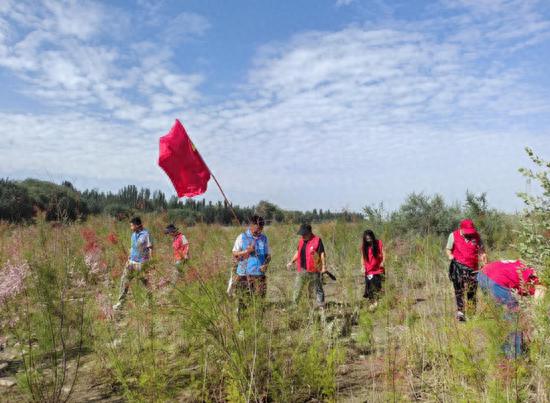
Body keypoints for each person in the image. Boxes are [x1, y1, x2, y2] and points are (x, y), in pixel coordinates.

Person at [477, 260, 539, 358]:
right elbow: (538, 310)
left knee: (501, 317)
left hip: (483, 275)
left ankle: (501, 352)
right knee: (514, 319)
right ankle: (514, 357)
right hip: (497, 280)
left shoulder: (531, 266)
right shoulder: (541, 280)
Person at [446, 219, 487, 321]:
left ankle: (472, 314)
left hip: (473, 268)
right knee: (459, 289)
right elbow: (448, 249)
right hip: (458, 266)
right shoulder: (453, 235)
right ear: (461, 229)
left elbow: (481, 251)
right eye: (467, 231)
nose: (470, 234)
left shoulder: (476, 236)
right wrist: (450, 255)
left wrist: (484, 260)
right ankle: (461, 312)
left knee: (472, 290)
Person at [231, 215, 271, 313]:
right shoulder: (242, 237)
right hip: (244, 275)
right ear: (251, 226)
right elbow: (234, 253)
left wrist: (266, 264)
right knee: (243, 302)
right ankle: (242, 326)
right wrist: (246, 251)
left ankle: (258, 325)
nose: (259, 232)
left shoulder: (264, 238)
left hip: (259, 275)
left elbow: (268, 256)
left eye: (261, 229)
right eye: (257, 229)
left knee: (259, 303)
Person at [113, 216, 153, 310]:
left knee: (146, 284)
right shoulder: (133, 234)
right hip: (131, 263)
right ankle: (121, 303)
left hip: (142, 264)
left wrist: (151, 262)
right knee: (124, 281)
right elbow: (132, 247)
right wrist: (128, 259)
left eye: (131, 225)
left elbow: (151, 248)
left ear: (137, 225)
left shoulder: (146, 234)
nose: (131, 228)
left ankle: (150, 304)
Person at [287, 224, 327, 308]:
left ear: (309, 232)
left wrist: (323, 266)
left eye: (304, 234)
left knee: (318, 289)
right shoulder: (301, 241)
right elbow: (298, 252)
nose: (303, 236)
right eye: (302, 234)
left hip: (315, 270)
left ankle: (321, 305)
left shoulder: (317, 240)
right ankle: (294, 305)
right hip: (302, 269)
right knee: (298, 288)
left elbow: (322, 254)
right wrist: (291, 261)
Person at [361, 230, 385, 305]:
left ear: (372, 237)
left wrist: (383, 262)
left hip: (378, 269)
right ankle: (373, 303)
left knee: (378, 287)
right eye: (367, 239)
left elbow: (384, 253)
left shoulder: (379, 243)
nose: (368, 240)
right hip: (368, 270)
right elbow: (362, 257)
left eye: (370, 238)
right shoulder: (364, 246)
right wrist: (362, 266)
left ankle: (377, 302)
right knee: (369, 288)